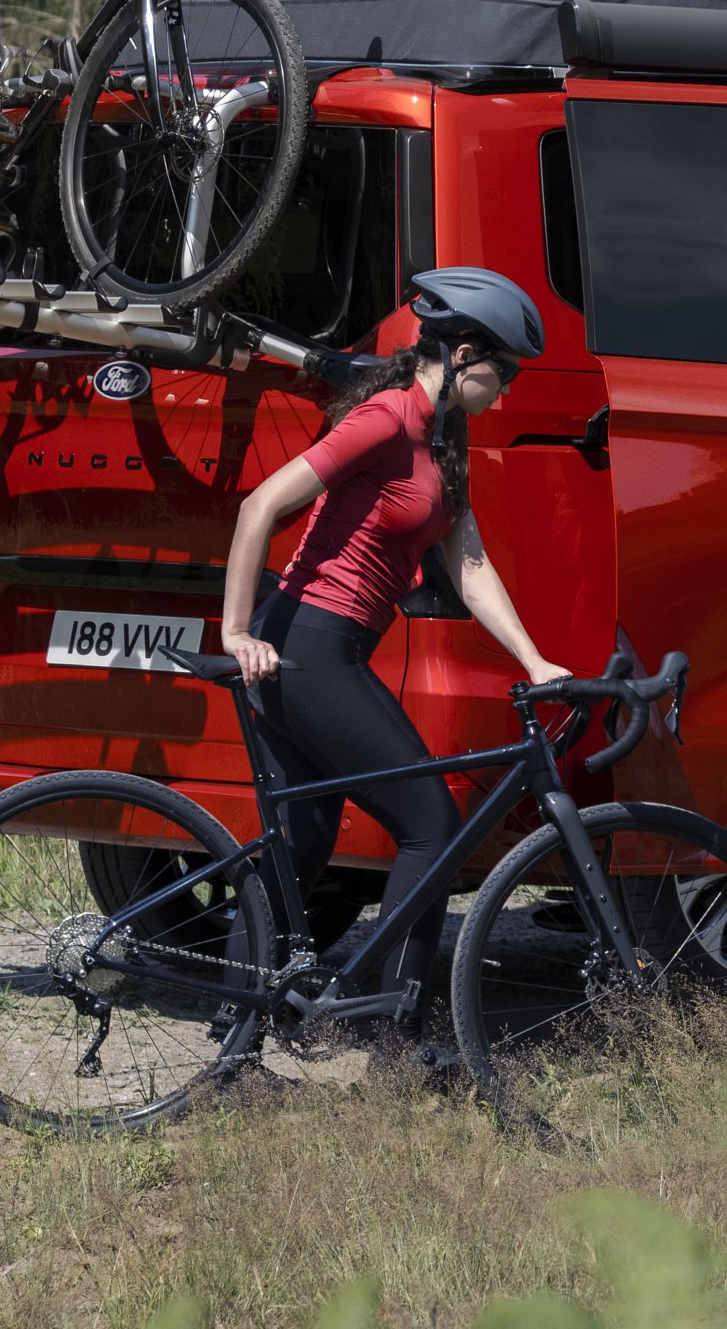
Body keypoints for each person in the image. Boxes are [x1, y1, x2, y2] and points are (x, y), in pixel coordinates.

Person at [217, 266, 580, 992]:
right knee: (431, 829)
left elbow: (468, 560)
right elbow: (259, 505)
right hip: (305, 644)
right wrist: (232, 632)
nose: (504, 391)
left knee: (305, 838)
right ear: (465, 352)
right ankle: (389, 1022)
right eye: (501, 372)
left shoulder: (444, 433)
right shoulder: (385, 418)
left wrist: (534, 658)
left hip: (329, 646)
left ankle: (240, 1029)